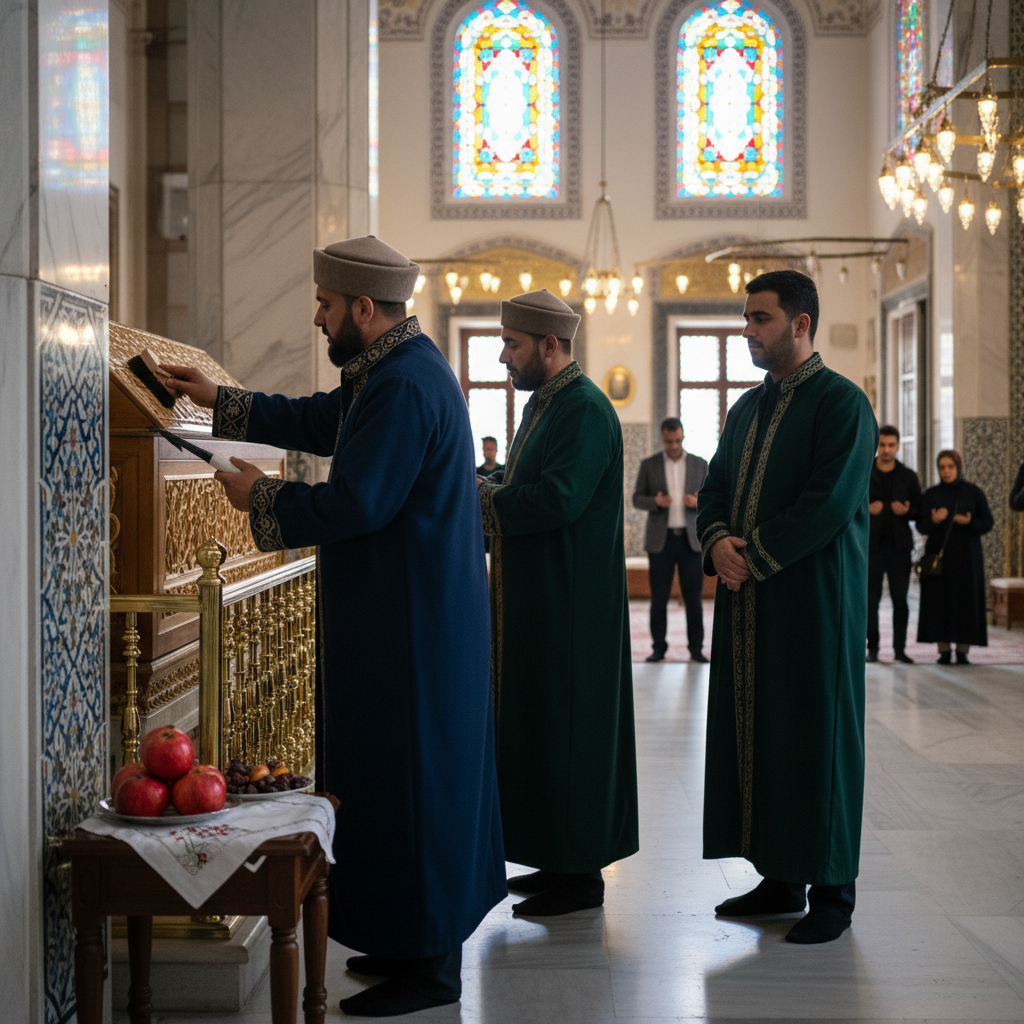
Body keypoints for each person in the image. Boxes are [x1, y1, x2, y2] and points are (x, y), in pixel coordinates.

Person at [161, 235, 506, 1018]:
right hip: (399, 616)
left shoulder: (407, 384)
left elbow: (360, 503)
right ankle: (402, 937)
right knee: (387, 783)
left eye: (325, 304)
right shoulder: (389, 372)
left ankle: (432, 965)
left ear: (362, 307)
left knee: (415, 783)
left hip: (413, 631)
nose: (316, 318)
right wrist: (224, 400)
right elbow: (323, 419)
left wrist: (261, 497)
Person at [696, 270, 877, 944]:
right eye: (746, 318)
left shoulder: (841, 404)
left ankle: (832, 890)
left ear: (801, 324)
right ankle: (779, 876)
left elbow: (827, 505)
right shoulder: (746, 408)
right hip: (749, 607)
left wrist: (754, 555)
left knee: (817, 740)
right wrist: (716, 542)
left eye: (760, 319)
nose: (748, 330)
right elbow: (713, 489)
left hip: (814, 607)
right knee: (761, 733)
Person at [478, 288, 639, 917]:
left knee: (572, 734)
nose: (502, 357)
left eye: (512, 345)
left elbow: (559, 498)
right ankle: (554, 859)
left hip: (573, 605)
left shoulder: (583, 408)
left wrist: (477, 504)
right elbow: (525, 479)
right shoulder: (545, 404)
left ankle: (581, 876)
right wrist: (486, 481)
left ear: (550, 344)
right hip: (538, 600)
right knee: (541, 731)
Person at [632, 417, 709, 663]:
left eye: (677, 440)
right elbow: (636, 499)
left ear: (683, 437)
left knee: (693, 599)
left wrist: (698, 502)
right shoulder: (649, 465)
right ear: (662, 439)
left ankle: (696, 649)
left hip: (690, 542)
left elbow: (713, 498)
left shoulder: (700, 465)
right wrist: (655, 502)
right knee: (659, 599)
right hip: (660, 541)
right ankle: (658, 648)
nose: (673, 445)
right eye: (668, 441)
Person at [915, 449, 994, 664]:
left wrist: (970, 523)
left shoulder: (972, 492)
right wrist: (935, 521)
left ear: (958, 467)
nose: (946, 471)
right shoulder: (932, 494)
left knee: (965, 601)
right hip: (940, 558)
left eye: (950, 467)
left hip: (967, 557)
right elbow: (921, 526)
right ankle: (943, 650)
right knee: (939, 601)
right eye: (942, 467)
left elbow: (988, 521)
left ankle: (962, 650)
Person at [866, 426, 922, 664]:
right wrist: (866, 510)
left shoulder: (908, 476)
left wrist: (908, 511)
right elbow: (850, 507)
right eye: (882, 445)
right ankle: (873, 649)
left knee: (900, 599)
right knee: (871, 600)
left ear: (898, 446)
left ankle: (899, 649)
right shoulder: (865, 473)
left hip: (899, 548)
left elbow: (920, 510)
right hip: (872, 547)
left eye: (891, 445)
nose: (886, 450)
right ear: (877, 446)